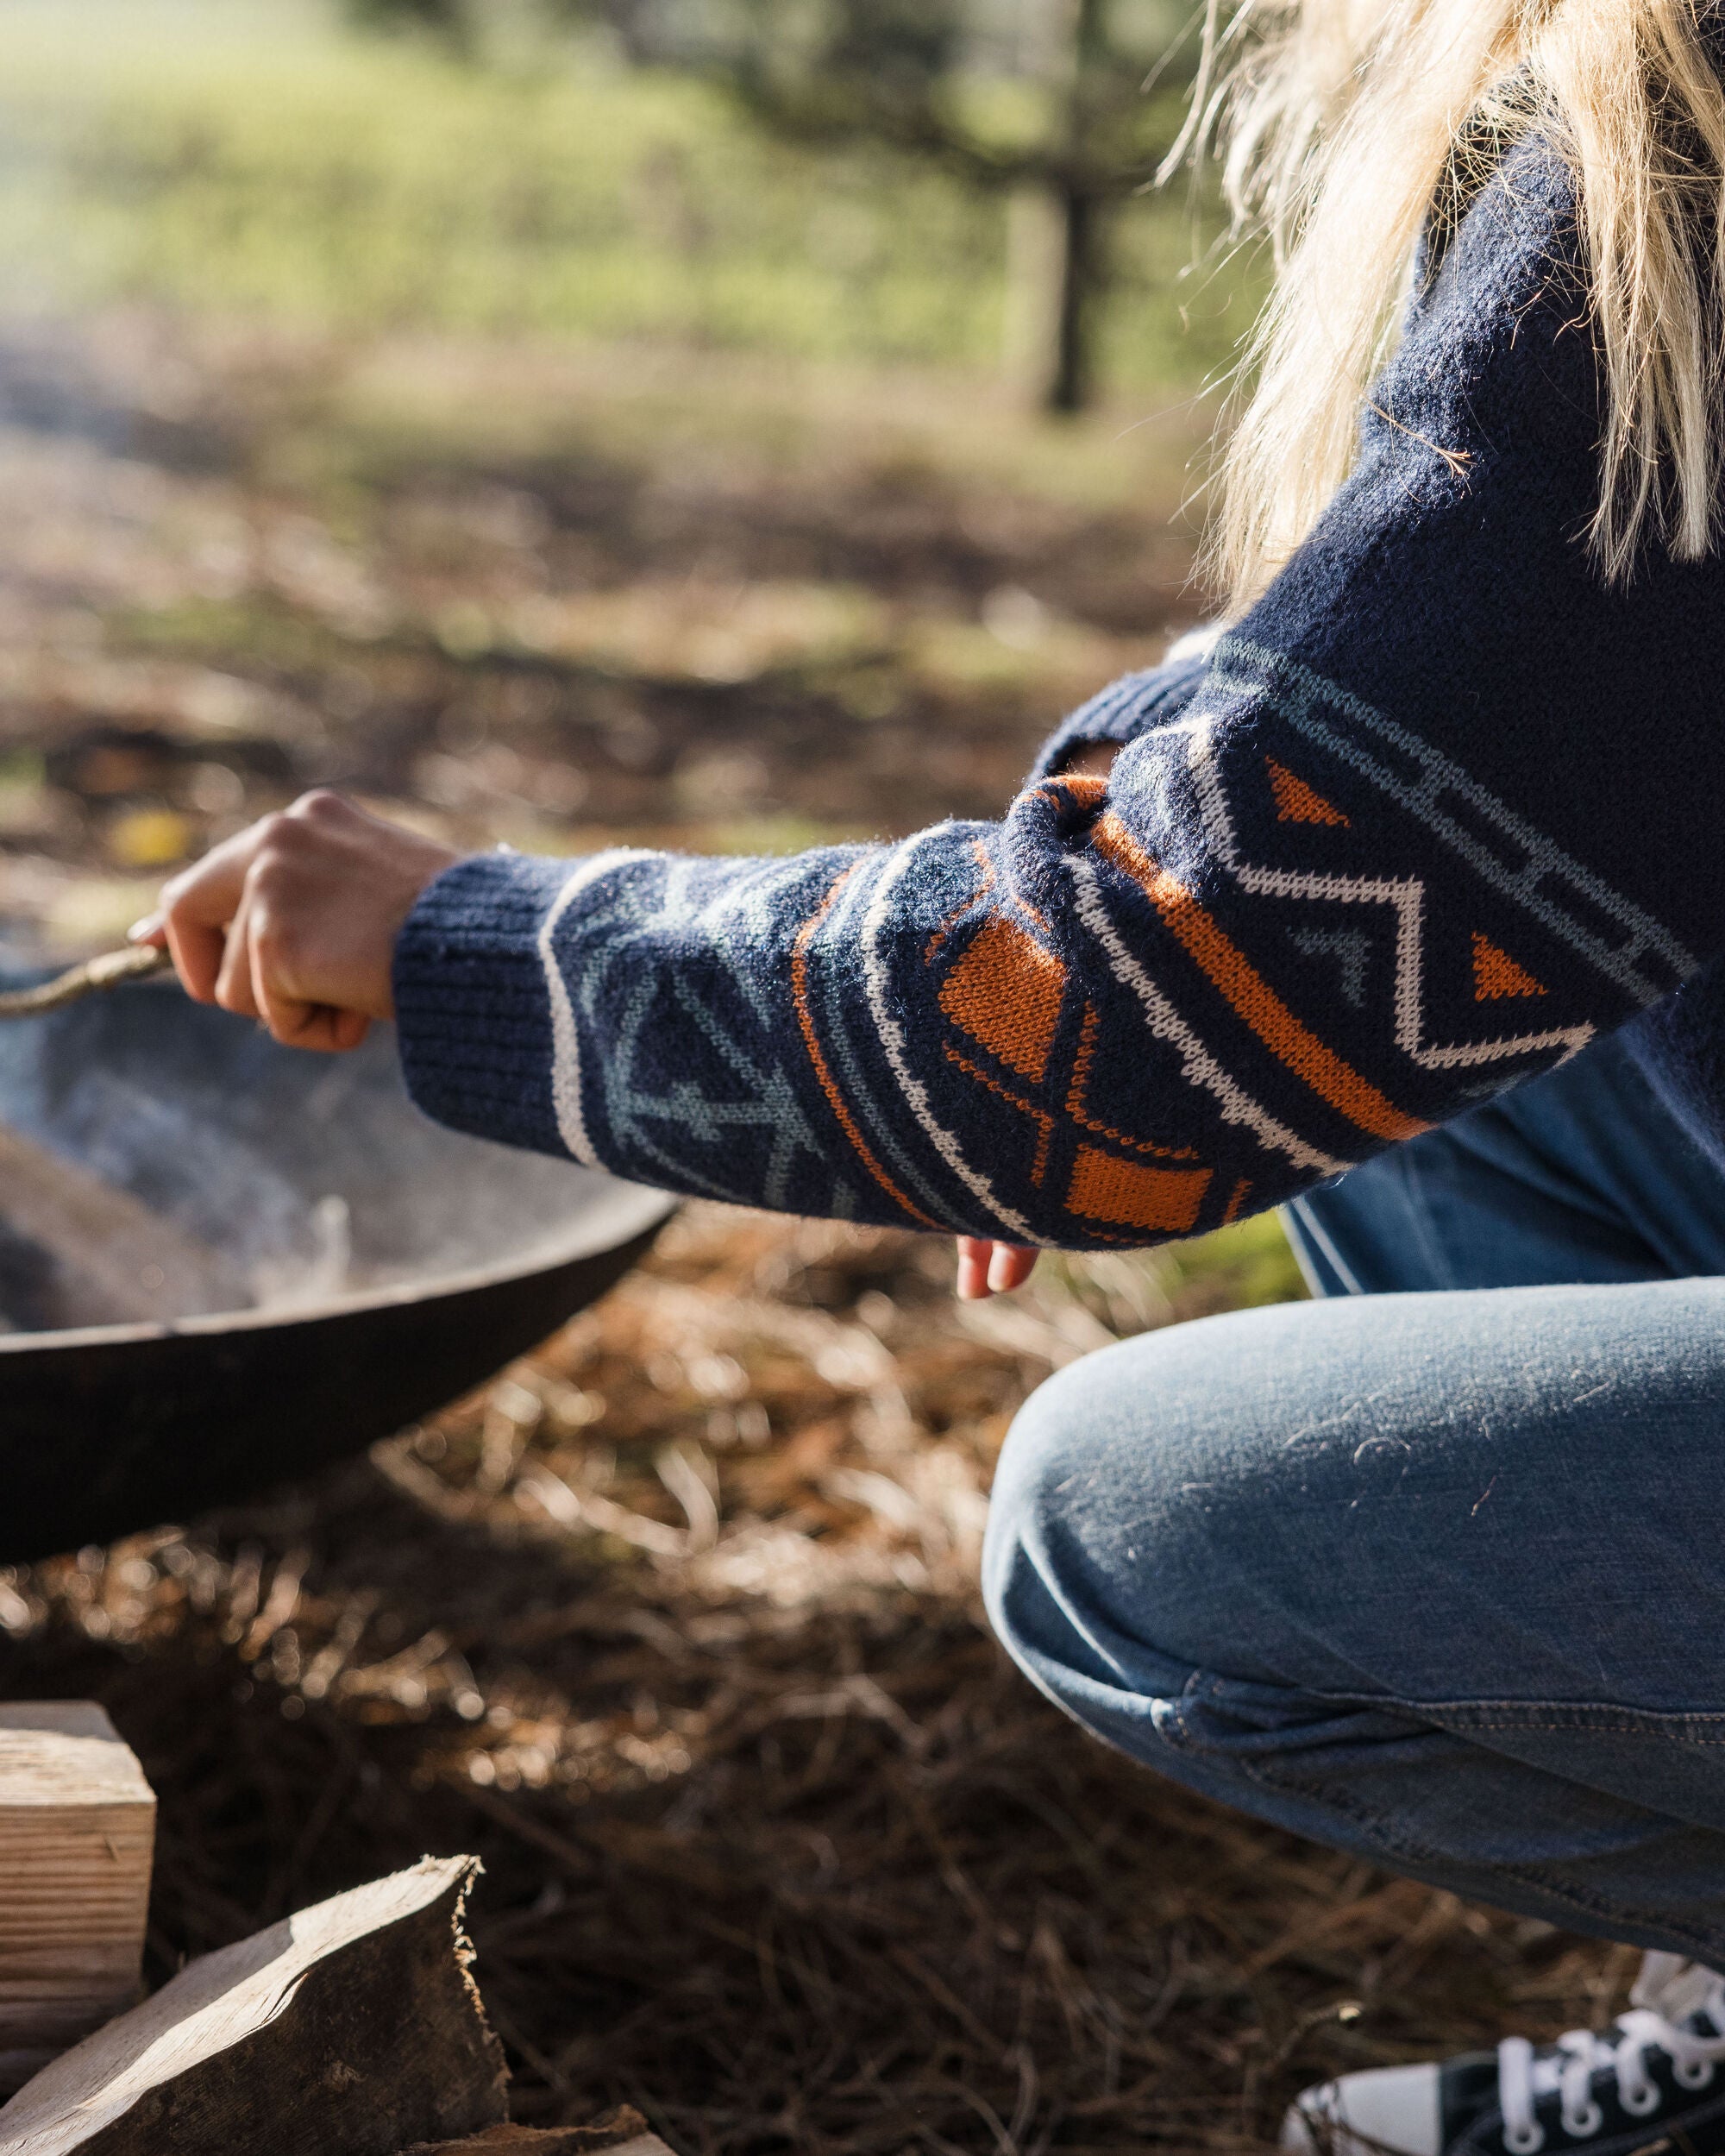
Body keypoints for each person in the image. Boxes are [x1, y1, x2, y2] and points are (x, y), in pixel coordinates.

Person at [132, 0, 1725, 2140]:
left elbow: (1099, 1045)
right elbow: (1414, 772)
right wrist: (1126, 874)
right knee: (1426, 1057)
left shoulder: (1681, 155)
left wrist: (458, 940)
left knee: (1126, 1526)